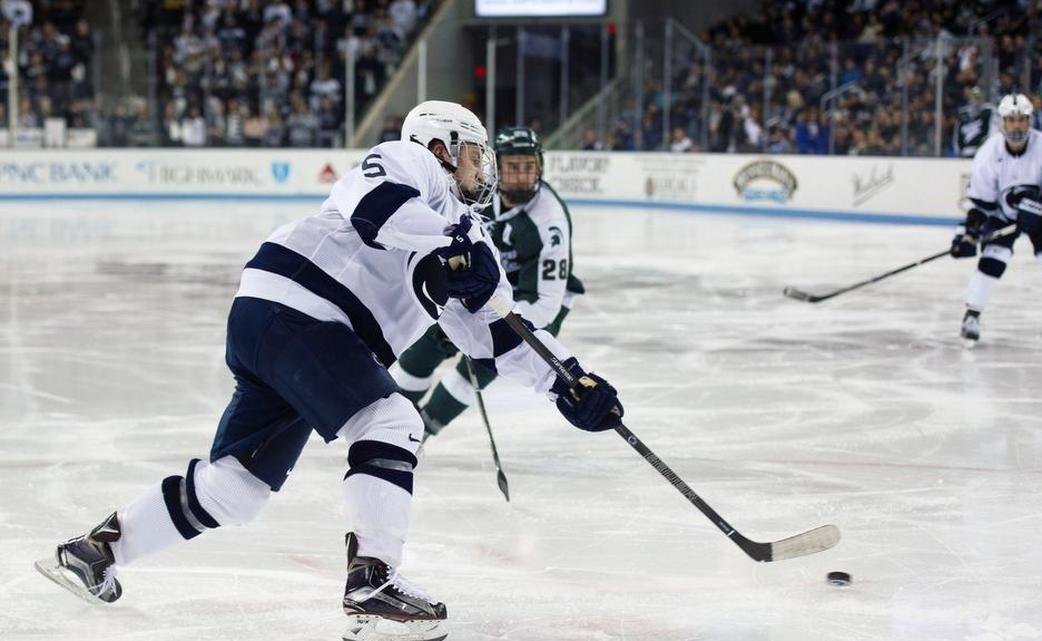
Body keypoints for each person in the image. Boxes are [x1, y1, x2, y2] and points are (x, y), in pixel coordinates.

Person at [34, 101, 624, 641]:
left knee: (235, 489)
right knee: (393, 421)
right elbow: (372, 207)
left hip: (283, 325)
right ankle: (373, 584)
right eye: (474, 155)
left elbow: (493, 333)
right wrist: (455, 240)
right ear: (442, 148)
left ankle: (96, 552)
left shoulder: (473, 239)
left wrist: (565, 381)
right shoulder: (411, 162)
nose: (482, 170)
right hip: (302, 310)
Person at [389, 127, 584, 438]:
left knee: (480, 368)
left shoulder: (549, 222)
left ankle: (422, 432)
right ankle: (389, 421)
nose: (521, 176)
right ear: (498, 166)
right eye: (513, 167)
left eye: (529, 167)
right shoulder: (479, 193)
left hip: (530, 305)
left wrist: (487, 327)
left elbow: (545, 306)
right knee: (426, 344)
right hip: (480, 291)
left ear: (540, 168)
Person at [950, 93, 1042, 347]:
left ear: (1030, 121)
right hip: (1003, 215)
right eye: (1011, 120)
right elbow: (981, 203)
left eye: (1022, 120)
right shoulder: (988, 152)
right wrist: (968, 232)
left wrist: (1039, 206)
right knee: (993, 257)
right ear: (1002, 122)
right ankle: (971, 316)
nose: (1016, 126)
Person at [952, 87, 997, 159]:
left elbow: (993, 132)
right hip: (965, 154)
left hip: (982, 153)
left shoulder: (989, 111)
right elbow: (957, 135)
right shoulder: (963, 114)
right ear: (970, 98)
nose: (976, 100)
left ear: (983, 98)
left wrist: (986, 150)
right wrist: (959, 151)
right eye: (974, 97)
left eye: (978, 97)